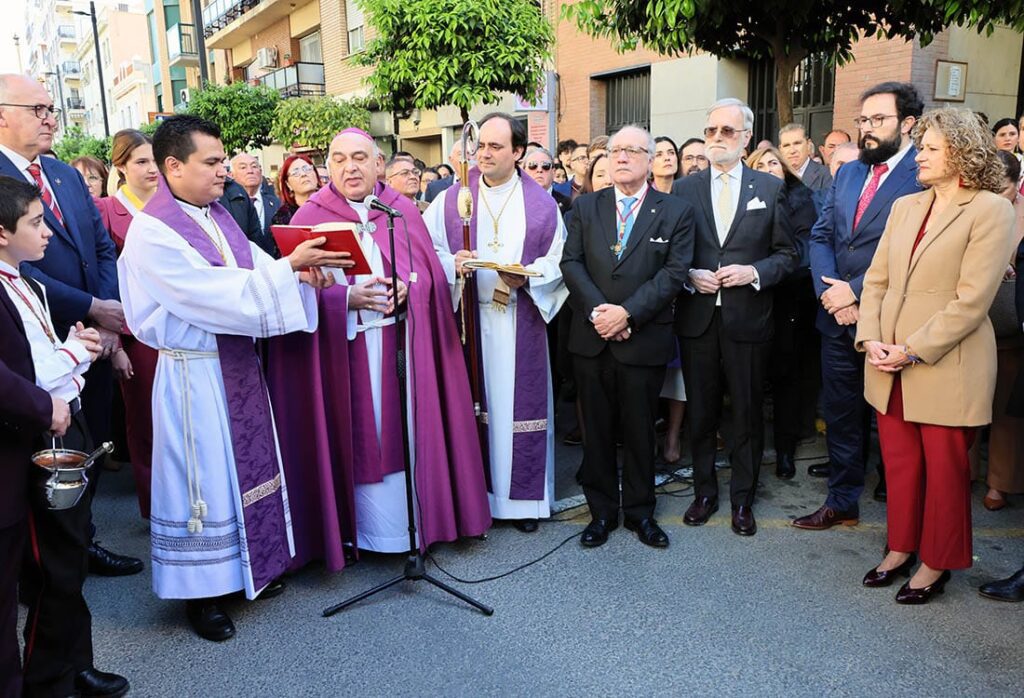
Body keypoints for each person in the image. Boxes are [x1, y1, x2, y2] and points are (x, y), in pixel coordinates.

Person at [117, 114, 346, 641]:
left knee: (239, 474)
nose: (224, 170)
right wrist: (288, 270)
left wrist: (302, 273)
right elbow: (208, 294)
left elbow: (255, 271)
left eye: (223, 161)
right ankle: (202, 594)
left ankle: (250, 567)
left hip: (236, 364)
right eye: (213, 162)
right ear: (174, 166)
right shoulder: (153, 232)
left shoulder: (215, 215)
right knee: (203, 483)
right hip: (193, 376)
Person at [269, 126, 490, 569]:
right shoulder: (310, 216)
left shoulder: (400, 210)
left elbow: (427, 272)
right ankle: (363, 533)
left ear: (378, 164)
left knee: (406, 433)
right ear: (327, 167)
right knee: (358, 433)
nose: (349, 168)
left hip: (402, 341)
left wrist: (410, 289)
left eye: (359, 158)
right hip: (344, 350)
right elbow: (293, 291)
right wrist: (344, 298)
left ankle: (413, 526)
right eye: (338, 159)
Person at [856, 107, 1014, 603]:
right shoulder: (905, 206)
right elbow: (876, 280)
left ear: (961, 152)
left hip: (947, 364)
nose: (918, 156)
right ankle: (900, 547)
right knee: (900, 464)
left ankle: (937, 562)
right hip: (887, 361)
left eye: (929, 148)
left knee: (945, 473)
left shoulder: (991, 210)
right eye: (920, 146)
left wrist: (911, 350)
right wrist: (870, 338)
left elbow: (972, 301)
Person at [0, 73, 141, 577]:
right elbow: (18, 265)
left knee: (88, 443)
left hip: (90, 339)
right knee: (36, 462)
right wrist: (91, 306)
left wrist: (106, 314)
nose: (50, 119)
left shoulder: (62, 174)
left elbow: (100, 247)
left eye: (51, 109)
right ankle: (41, 565)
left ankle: (81, 541)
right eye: (36, 109)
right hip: (31, 345)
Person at [0, 175, 129, 698]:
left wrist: (73, 351)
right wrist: (77, 352)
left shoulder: (26, 282)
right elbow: (30, 378)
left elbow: (49, 362)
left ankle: (72, 663)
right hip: (37, 433)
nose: (48, 232)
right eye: (36, 222)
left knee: (70, 556)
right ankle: (49, 677)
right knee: (52, 562)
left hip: (64, 419)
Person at [425, 113, 567, 532]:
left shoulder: (542, 205)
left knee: (515, 413)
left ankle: (522, 505)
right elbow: (427, 250)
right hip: (467, 321)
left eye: (495, 147)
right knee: (474, 409)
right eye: (480, 146)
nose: (483, 154)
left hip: (520, 320)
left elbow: (559, 260)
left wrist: (528, 275)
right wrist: (452, 263)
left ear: (518, 152)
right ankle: (477, 500)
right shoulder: (452, 199)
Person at [794, 82, 925, 529]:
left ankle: (904, 520)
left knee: (895, 422)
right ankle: (842, 501)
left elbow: (916, 252)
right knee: (842, 414)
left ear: (907, 124)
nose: (867, 128)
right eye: (863, 120)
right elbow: (821, 236)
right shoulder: (849, 172)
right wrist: (833, 296)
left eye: (878, 120)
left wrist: (854, 290)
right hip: (836, 318)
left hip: (892, 322)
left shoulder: (923, 174)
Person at [672, 98, 799, 537]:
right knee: (701, 412)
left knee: (746, 413)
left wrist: (753, 272)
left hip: (748, 319)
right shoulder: (684, 189)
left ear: (746, 138)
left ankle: (743, 498)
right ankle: (704, 492)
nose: (717, 138)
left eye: (727, 131)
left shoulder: (769, 188)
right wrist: (690, 275)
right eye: (710, 130)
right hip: (698, 320)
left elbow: (788, 255)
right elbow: (673, 254)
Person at [561, 124, 692, 548]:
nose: (621, 157)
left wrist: (627, 314)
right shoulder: (586, 207)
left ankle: (640, 513)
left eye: (633, 151)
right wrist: (600, 312)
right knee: (597, 432)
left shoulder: (675, 211)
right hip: (592, 336)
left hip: (643, 337)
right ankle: (601, 513)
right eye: (615, 150)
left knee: (639, 431)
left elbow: (674, 272)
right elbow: (571, 262)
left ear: (649, 160)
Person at [94, 129, 160, 519]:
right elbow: (102, 279)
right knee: (145, 419)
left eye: (155, 160)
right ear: (120, 167)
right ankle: (155, 502)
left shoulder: (172, 205)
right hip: (135, 332)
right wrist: (116, 341)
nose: (152, 169)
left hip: (180, 324)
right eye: (141, 161)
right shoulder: (106, 210)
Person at [746, 146, 821, 479]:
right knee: (750, 378)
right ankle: (748, 451)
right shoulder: (744, 200)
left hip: (790, 299)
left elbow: (803, 252)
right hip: (751, 299)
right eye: (760, 164)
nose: (768, 168)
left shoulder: (803, 200)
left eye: (773, 162)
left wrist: (765, 267)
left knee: (787, 378)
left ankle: (785, 451)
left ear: (785, 168)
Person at [978, 150, 1024, 511]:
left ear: (1017, 184)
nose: (996, 196)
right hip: (970, 324)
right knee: (965, 405)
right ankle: (961, 472)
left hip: (1010, 326)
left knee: (1006, 411)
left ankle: (1000, 483)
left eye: (1003, 189)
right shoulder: (971, 206)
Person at [652, 136, 687, 463]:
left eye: (671, 152)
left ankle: (673, 436)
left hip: (683, 299)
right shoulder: (643, 197)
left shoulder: (689, 194)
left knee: (678, 376)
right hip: (649, 299)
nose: (667, 158)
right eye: (659, 153)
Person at [228, 153, 280, 258]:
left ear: (261, 172)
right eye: (243, 167)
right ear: (231, 175)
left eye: (254, 166)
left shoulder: (277, 203)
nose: (250, 171)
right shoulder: (226, 206)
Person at [778, 123, 833, 191]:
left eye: (797, 143)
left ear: (808, 145)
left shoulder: (826, 175)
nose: (792, 151)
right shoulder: (774, 175)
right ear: (780, 150)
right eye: (786, 145)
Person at [272, 154, 321, 226]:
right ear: (288, 184)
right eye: (296, 173)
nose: (303, 174)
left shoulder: (330, 205)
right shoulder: (283, 217)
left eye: (307, 169)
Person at [524, 146, 572, 215]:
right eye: (533, 165)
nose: (539, 170)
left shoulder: (567, 203)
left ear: (553, 172)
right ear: (524, 171)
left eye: (545, 165)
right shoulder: (514, 200)